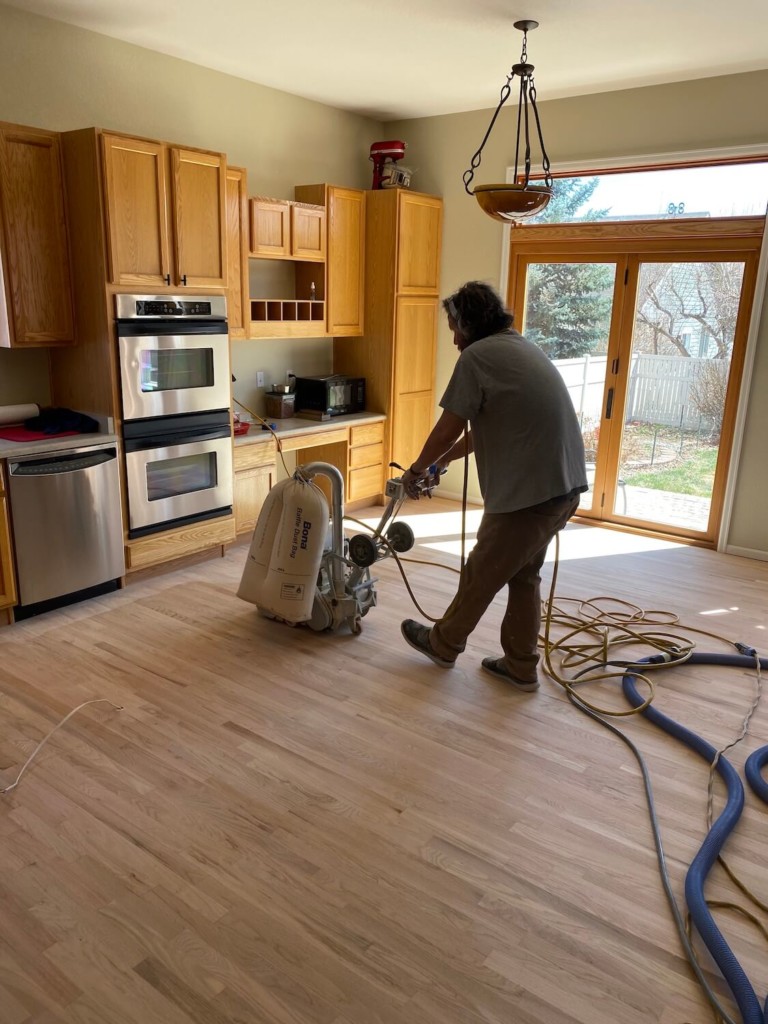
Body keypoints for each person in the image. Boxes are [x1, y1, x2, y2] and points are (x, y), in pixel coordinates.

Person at [400, 280, 587, 691]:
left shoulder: (478, 357)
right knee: (523, 576)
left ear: (469, 324)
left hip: (530, 495)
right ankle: (521, 665)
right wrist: (441, 463)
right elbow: (481, 427)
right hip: (563, 487)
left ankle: (442, 643)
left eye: (453, 327)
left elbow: (448, 427)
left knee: (482, 572)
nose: (452, 339)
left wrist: (415, 470)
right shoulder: (517, 346)